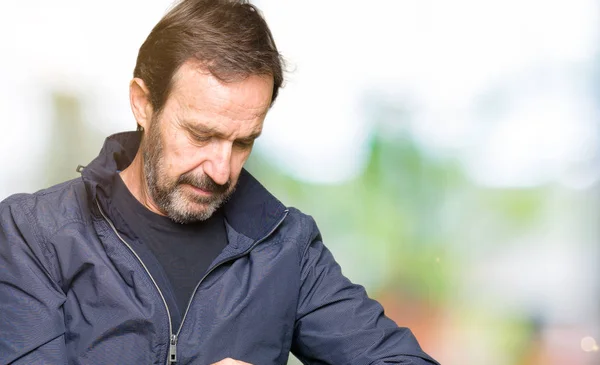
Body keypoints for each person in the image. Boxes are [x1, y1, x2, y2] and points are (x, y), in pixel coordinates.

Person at [0, 1, 439, 364]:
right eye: (201, 135)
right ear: (142, 103)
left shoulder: (288, 248)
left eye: (243, 142)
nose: (222, 169)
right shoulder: (32, 233)